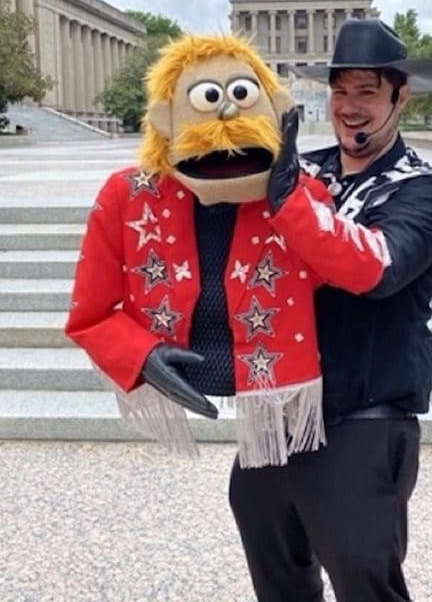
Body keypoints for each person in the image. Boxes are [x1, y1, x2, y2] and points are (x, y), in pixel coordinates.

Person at [65, 32, 391, 469]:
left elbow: (361, 272)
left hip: (288, 411)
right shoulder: (128, 196)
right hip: (200, 367)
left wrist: (289, 200)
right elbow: (90, 314)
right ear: (166, 118)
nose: (225, 118)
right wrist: (140, 354)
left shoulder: (301, 196)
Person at [229, 17, 432, 601]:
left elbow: (376, 269)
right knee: (279, 580)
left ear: (399, 96)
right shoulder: (303, 170)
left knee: (366, 584)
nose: (349, 107)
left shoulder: (424, 192)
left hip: (363, 416)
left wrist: (286, 199)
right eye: (339, 91)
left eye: (366, 91)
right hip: (279, 413)